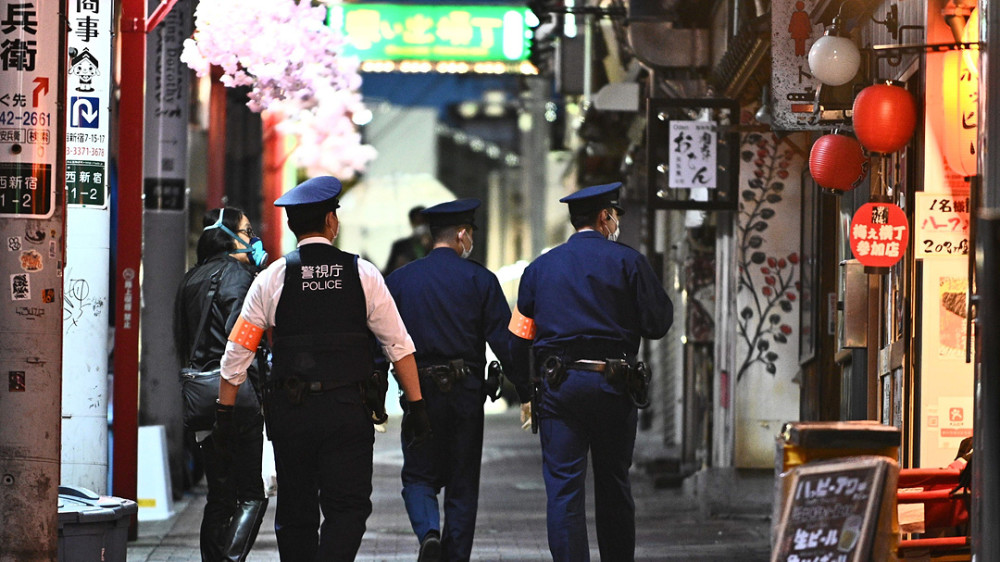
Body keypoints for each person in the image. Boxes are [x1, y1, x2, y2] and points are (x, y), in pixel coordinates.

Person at [215, 176, 431, 561]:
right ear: (332, 221)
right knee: (347, 507)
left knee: (295, 511)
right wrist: (416, 405)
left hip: (291, 412)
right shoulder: (362, 274)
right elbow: (399, 347)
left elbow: (238, 350)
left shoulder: (271, 278)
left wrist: (225, 412)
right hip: (348, 411)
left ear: (293, 226)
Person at [510, 182, 674, 561]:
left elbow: (520, 337)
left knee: (564, 488)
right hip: (614, 384)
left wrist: (525, 390)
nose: (615, 223)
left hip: (559, 386)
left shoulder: (539, 269)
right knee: (614, 482)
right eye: (614, 216)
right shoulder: (628, 261)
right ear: (604, 217)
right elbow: (658, 323)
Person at [384, 199, 530, 561]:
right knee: (463, 484)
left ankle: (429, 532)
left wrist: (372, 395)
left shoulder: (400, 281)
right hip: (466, 392)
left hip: (417, 391)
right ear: (462, 234)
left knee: (418, 475)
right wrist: (527, 390)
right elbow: (504, 342)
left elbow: (381, 338)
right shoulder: (480, 279)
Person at [174, 207, 270, 562]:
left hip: (199, 396)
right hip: (235, 396)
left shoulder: (193, 277)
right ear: (228, 236)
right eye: (246, 232)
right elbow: (240, 338)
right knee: (251, 494)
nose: (253, 239)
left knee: (219, 494)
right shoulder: (237, 274)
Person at [384, 205, 433, 275]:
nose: (421, 226)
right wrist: (398, 268)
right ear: (411, 224)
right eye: (417, 223)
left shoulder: (437, 244)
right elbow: (387, 273)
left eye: (424, 222)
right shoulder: (400, 246)